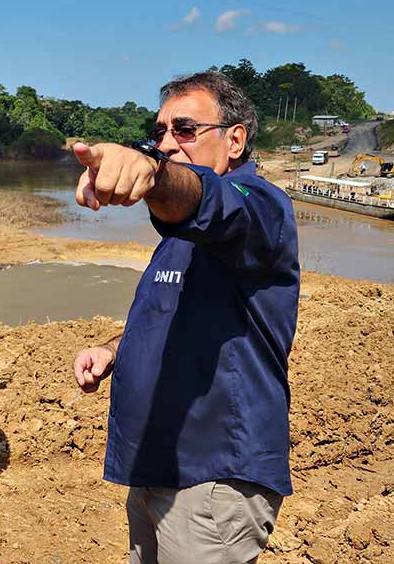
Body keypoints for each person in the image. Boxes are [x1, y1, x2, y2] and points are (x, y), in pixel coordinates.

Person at [71, 71, 299, 564]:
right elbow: (170, 311)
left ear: (234, 139)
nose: (168, 143)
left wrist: (151, 174)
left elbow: (208, 202)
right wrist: (112, 349)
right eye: (158, 134)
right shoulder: (178, 237)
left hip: (213, 475)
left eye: (185, 130)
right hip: (156, 465)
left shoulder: (259, 207)